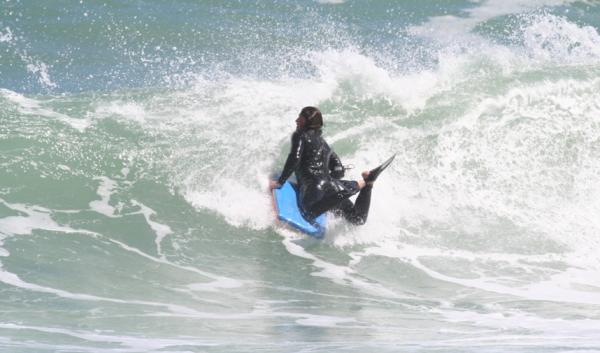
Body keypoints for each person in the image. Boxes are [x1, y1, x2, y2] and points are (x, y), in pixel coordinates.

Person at [269, 106, 387, 225]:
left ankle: (355, 185)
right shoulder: (324, 144)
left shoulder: (300, 135)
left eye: (300, 119)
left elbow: (294, 158)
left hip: (314, 190)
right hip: (331, 186)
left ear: (308, 122)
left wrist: (280, 181)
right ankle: (368, 184)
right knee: (357, 219)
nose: (296, 121)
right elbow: (339, 170)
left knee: (308, 212)